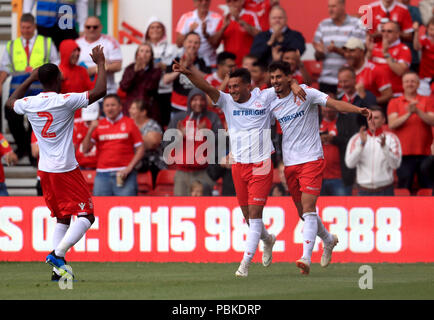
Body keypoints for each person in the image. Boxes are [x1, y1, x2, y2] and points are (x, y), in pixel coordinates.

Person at [172, 59, 307, 277]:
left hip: (262, 164)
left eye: (236, 86)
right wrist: (187, 72)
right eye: (231, 86)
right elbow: (205, 86)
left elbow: (284, 83)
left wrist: (294, 85)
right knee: (248, 217)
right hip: (238, 165)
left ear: (248, 86)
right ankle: (268, 239)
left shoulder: (263, 96)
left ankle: (244, 265)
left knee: (254, 215)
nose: (232, 90)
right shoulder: (226, 101)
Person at [5, 45, 107, 281]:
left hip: (45, 171)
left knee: (62, 217)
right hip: (65, 169)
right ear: (59, 80)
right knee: (87, 215)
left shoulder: (29, 103)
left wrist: (30, 77)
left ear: (40, 80)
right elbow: (100, 90)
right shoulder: (65, 100)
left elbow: (10, 101)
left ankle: (58, 272)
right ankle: (57, 254)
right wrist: (101, 63)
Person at [267, 60, 372, 275]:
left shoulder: (306, 93)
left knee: (307, 208)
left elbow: (333, 104)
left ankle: (306, 258)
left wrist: (357, 110)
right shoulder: (271, 100)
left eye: (279, 77)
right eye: (273, 78)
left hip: (312, 159)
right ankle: (328, 239)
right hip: (290, 163)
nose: (275, 81)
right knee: (304, 213)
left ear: (288, 77)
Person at [0, 13, 58, 162]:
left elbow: (55, 63)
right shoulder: (12, 45)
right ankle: (23, 147)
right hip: (17, 88)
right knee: (11, 116)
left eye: (28, 27)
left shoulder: (46, 42)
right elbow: (5, 68)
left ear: (34, 27)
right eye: (23, 27)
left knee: (36, 120)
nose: (25, 30)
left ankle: (33, 152)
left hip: (40, 87)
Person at [82, 94, 145, 196]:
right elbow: (85, 150)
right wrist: (90, 130)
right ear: (103, 108)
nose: (110, 108)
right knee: (100, 208)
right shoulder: (99, 125)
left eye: (113, 105)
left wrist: (129, 168)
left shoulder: (130, 123)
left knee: (126, 207)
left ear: (120, 107)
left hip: (124, 175)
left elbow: (141, 148)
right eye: (107, 105)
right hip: (102, 175)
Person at [165, 88, 222, 196]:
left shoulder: (212, 117)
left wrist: (206, 134)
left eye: (201, 100)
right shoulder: (179, 118)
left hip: (204, 172)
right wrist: (179, 135)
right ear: (189, 101)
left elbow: (222, 144)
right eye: (195, 100)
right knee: (180, 207)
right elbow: (166, 144)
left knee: (204, 207)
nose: (198, 103)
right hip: (182, 173)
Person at [387, 71, 434, 191]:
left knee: (427, 188)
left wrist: (417, 111)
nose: (410, 84)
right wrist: (409, 113)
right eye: (407, 81)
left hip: (425, 152)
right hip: (403, 153)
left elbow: (432, 120)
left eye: (413, 81)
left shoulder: (428, 100)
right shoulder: (394, 102)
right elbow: (392, 124)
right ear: (402, 85)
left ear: (418, 84)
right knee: (404, 188)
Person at [345, 106, 402, 196]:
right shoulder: (356, 138)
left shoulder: (392, 138)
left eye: (376, 118)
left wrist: (384, 147)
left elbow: (395, 165)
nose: (372, 120)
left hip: (385, 189)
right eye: (369, 118)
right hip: (363, 190)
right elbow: (350, 164)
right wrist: (361, 145)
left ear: (383, 120)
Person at [313, 0, 366, 95]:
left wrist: (336, 50)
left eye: (334, 6)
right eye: (329, 6)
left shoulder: (356, 24)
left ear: (343, 6)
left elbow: (358, 53)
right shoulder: (323, 25)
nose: (330, 10)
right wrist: (319, 52)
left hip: (348, 81)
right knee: (326, 110)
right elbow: (318, 56)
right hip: (326, 80)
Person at [144, 16, 180, 128]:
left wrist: (165, 66)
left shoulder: (172, 48)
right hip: (148, 91)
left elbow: (177, 67)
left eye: (158, 27)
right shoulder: (143, 48)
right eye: (152, 27)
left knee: (167, 122)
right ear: (147, 31)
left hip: (167, 90)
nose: (155, 30)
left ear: (163, 30)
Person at [164, 32, 210, 117]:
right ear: (184, 43)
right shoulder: (176, 59)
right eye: (190, 42)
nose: (193, 45)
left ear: (199, 45)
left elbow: (208, 80)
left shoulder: (202, 61)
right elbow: (166, 80)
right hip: (178, 106)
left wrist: (191, 67)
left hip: (198, 106)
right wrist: (182, 68)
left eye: (196, 43)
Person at [76, 16, 122, 95]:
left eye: (95, 27)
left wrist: (95, 69)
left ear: (101, 27)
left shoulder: (110, 41)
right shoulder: (77, 43)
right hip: (83, 93)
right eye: (88, 27)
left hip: (107, 92)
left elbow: (117, 65)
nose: (91, 29)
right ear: (84, 28)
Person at [343, 37, 393, 107]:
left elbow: (388, 95)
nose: (347, 54)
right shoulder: (344, 70)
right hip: (349, 112)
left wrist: (368, 102)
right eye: (346, 51)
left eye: (352, 51)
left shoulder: (375, 70)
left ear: (362, 51)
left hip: (369, 113)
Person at [210, 0, 261, 67]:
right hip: (230, 65)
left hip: (248, 64)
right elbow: (214, 43)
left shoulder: (250, 15)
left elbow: (259, 36)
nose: (232, 4)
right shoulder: (224, 19)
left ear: (242, 1)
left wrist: (239, 20)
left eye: (235, 0)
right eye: (229, 1)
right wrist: (223, 28)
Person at [119, 43, 162, 118]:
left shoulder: (156, 70)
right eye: (141, 51)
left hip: (148, 108)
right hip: (131, 107)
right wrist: (135, 71)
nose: (144, 54)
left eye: (147, 52)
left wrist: (141, 70)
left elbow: (150, 87)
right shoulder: (130, 68)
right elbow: (123, 86)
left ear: (151, 56)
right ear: (137, 54)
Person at [369, 21, 412, 97]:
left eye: (389, 31)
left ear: (397, 34)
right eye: (383, 31)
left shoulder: (403, 49)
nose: (385, 34)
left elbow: (400, 71)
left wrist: (386, 54)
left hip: (395, 95)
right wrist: (368, 52)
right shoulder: (374, 46)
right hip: (375, 94)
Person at [23, 0, 88, 49]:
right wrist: (27, 20)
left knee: (69, 53)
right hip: (44, 25)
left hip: (67, 25)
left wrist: (82, 27)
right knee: (44, 53)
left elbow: (82, 2)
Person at [129, 99, 165, 186]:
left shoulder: (152, 125)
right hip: (134, 164)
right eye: (130, 108)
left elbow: (153, 143)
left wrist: (130, 139)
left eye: (134, 109)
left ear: (143, 112)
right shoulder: (129, 124)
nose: (130, 111)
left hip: (152, 165)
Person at [175, 0, 222, 67]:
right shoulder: (186, 17)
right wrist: (189, 31)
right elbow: (178, 44)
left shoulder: (217, 18)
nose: (204, 3)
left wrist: (205, 34)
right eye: (200, 0)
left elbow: (216, 45)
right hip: (189, 62)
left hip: (210, 63)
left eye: (206, 0)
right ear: (195, 2)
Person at [58, 39, 94, 119]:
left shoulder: (82, 70)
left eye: (78, 51)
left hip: (83, 117)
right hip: (65, 117)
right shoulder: (57, 72)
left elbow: (92, 91)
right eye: (73, 51)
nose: (77, 54)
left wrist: (100, 69)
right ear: (65, 52)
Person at [205, 51, 237, 129]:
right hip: (212, 122)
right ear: (219, 66)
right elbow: (211, 103)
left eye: (234, 66)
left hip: (231, 122)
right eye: (230, 66)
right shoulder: (209, 79)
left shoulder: (236, 80)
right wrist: (225, 81)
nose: (233, 69)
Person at [319, 105, 347, 196]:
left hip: (338, 176)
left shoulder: (344, 122)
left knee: (341, 207)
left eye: (330, 111)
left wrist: (333, 139)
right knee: (318, 207)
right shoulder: (314, 121)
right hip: (318, 177)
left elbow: (349, 141)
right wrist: (319, 139)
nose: (327, 114)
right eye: (325, 111)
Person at [73, 101, 99, 170]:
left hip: (97, 164)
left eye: (91, 119)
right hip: (80, 164)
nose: (88, 121)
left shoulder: (102, 123)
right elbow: (73, 148)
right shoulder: (76, 124)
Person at [413, 18, 434, 96]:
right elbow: (416, 47)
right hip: (424, 78)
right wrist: (416, 32)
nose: (433, 32)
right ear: (427, 29)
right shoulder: (424, 40)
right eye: (431, 29)